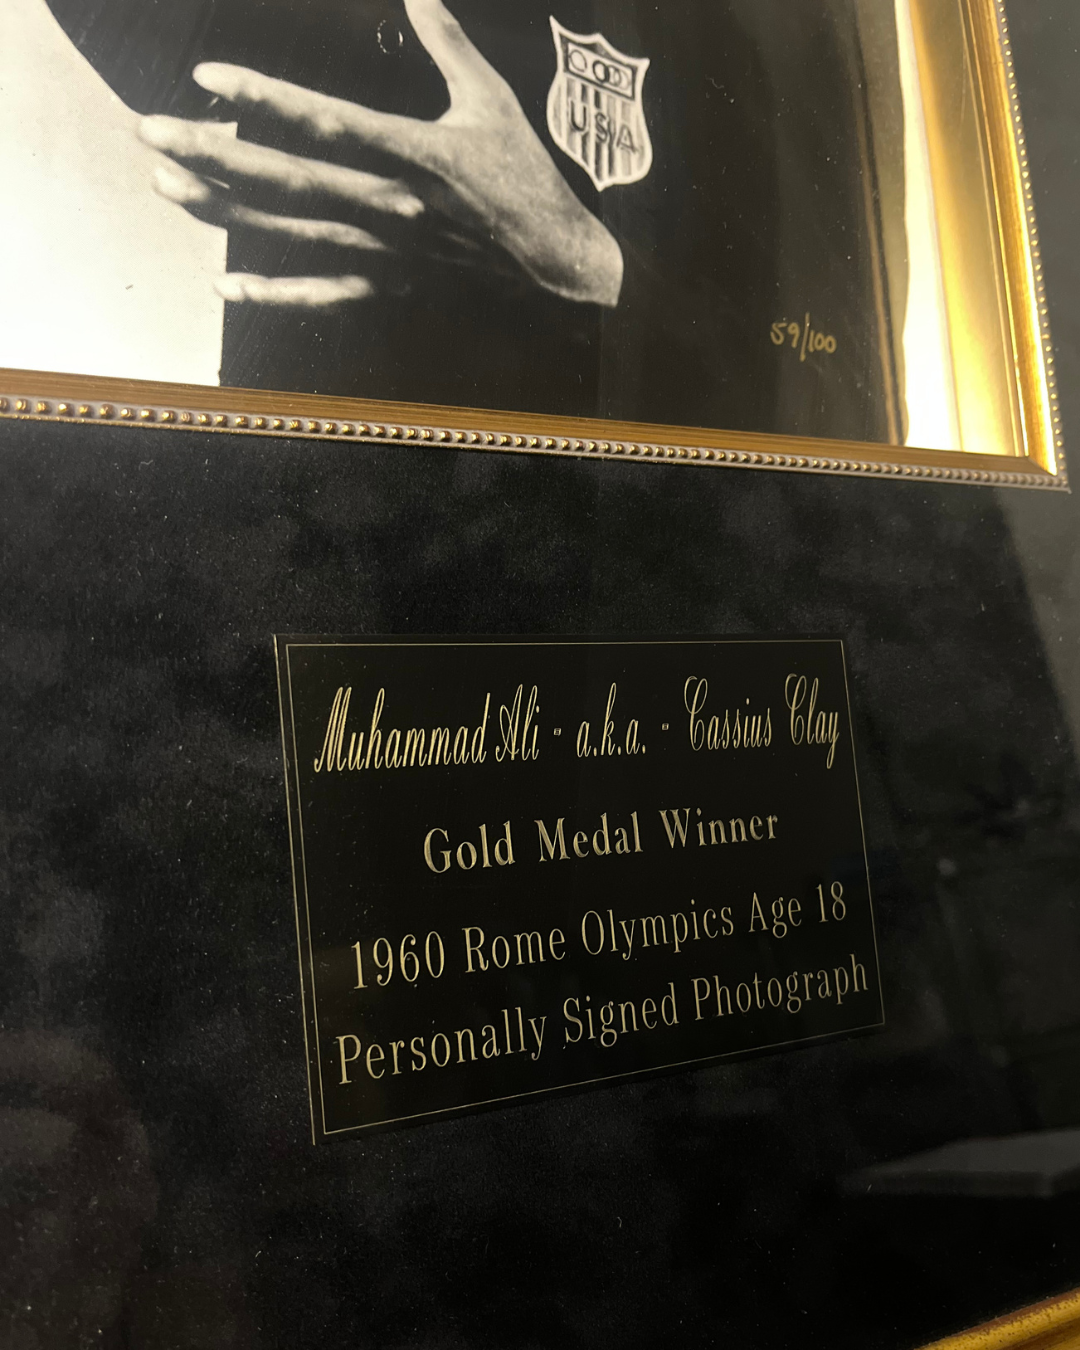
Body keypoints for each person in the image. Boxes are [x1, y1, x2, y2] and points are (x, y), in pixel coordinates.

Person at [44, 0, 905, 441]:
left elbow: (839, 398)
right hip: (341, 581)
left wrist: (592, 271)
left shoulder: (770, 38)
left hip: (648, 625)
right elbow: (149, 44)